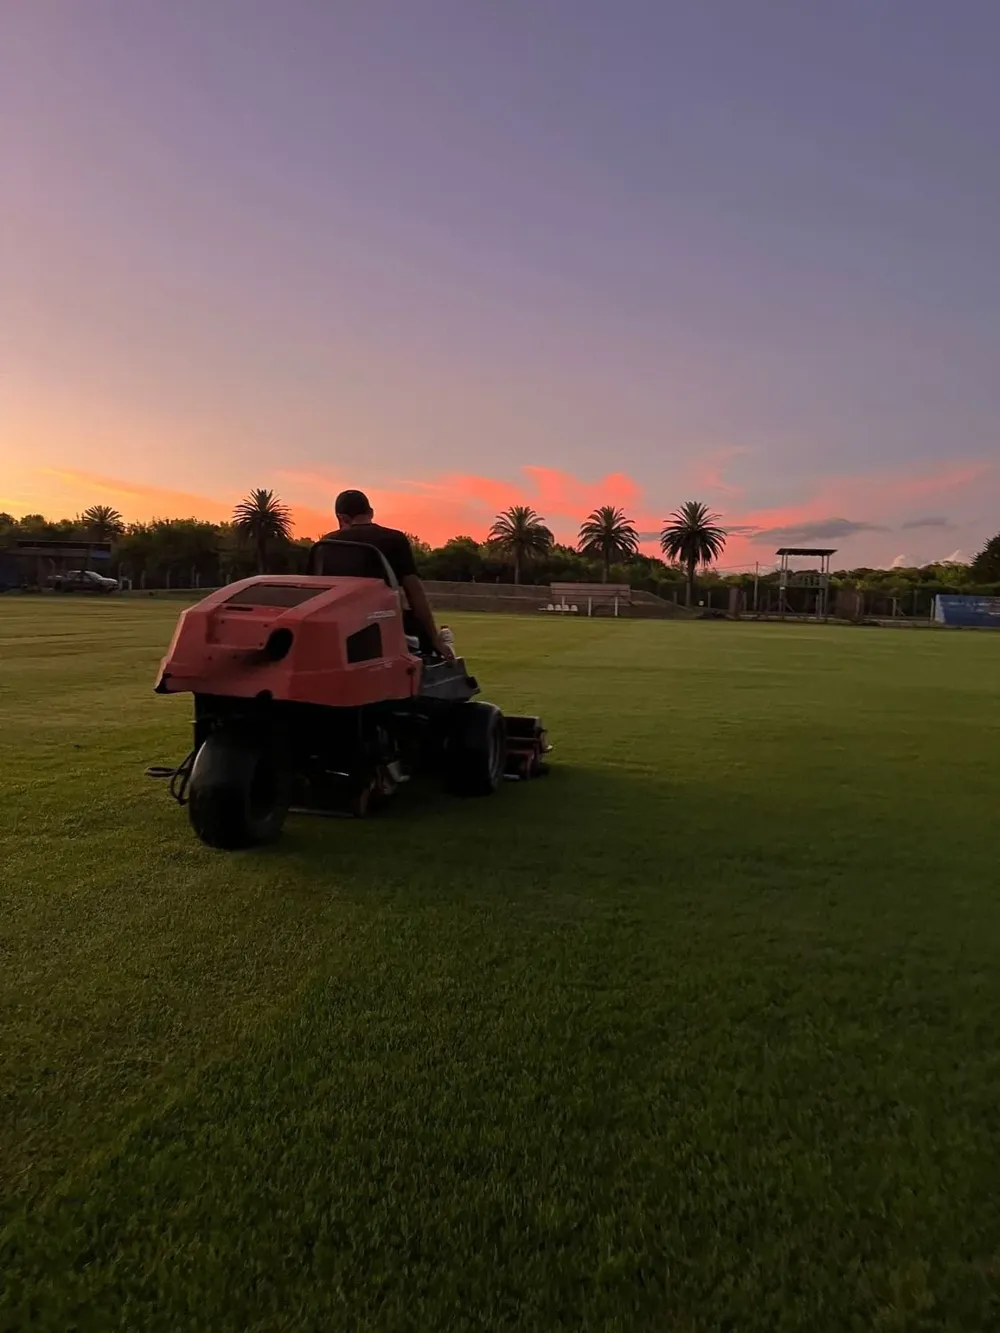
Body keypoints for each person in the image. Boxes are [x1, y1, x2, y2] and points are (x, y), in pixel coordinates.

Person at [324, 490, 455, 662]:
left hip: (342, 632)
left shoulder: (326, 544)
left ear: (342, 518)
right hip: (387, 629)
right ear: (371, 512)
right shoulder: (394, 539)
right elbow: (415, 593)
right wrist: (433, 638)